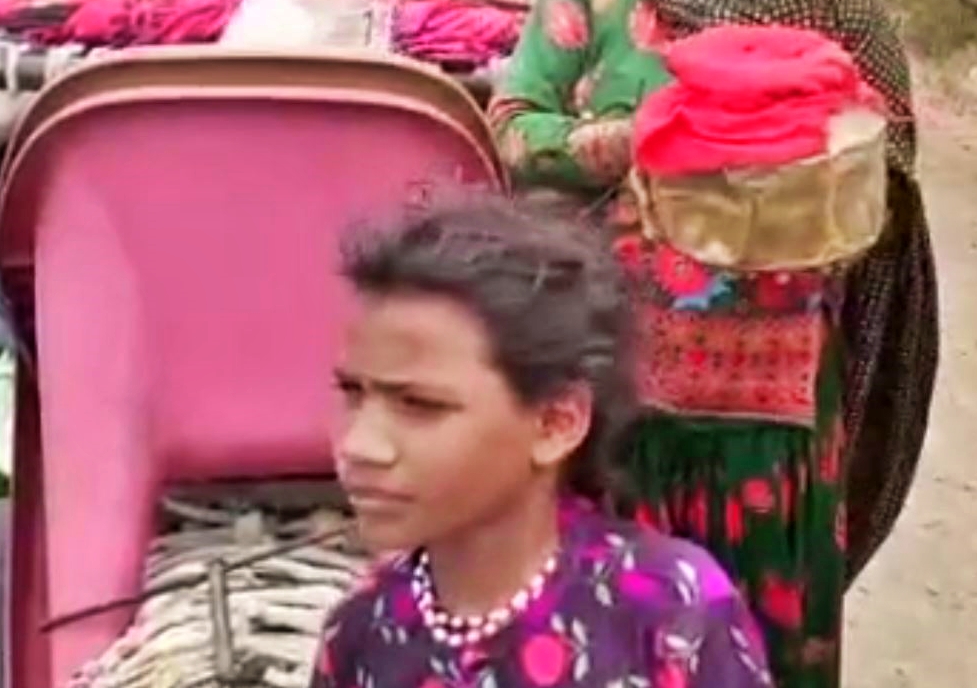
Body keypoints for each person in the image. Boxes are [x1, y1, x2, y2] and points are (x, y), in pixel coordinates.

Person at [488, 0, 939, 684]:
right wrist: (624, 141)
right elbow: (512, 128)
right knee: (607, 632)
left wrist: (822, 173)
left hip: (774, 414)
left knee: (761, 643)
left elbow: (890, 171)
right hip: (618, 394)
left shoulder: (834, 6)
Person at [312, 194, 773, 688]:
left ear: (556, 422)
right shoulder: (363, 631)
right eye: (354, 394)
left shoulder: (670, 613)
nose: (359, 445)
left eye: (420, 405)